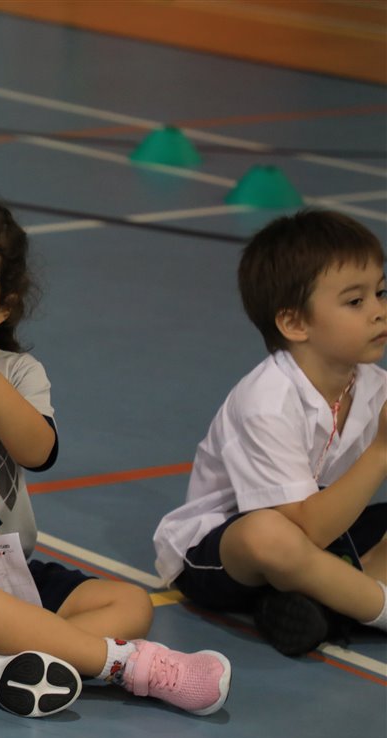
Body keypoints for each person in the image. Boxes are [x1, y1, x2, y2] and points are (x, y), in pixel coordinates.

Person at [0, 186, 231, 717]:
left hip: (4, 574)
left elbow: (37, 451)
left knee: (129, 603)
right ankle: (124, 665)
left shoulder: (19, 372)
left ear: (1, 308)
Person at [155, 209, 387, 656]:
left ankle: (318, 606)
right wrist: (381, 452)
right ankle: (365, 605)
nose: (378, 311)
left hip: (323, 536)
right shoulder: (267, 401)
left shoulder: (373, 384)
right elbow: (306, 529)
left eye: (380, 292)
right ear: (295, 324)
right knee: (268, 534)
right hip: (226, 553)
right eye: (355, 302)